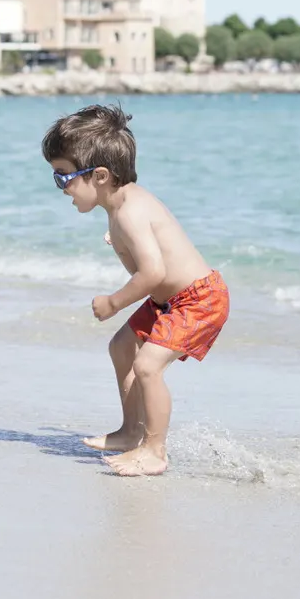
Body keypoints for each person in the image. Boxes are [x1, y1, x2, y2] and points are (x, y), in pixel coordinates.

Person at [43, 103, 227, 477]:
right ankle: (131, 432)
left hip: (199, 299)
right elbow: (150, 266)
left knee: (147, 366)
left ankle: (155, 450)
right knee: (121, 347)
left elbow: (153, 272)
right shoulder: (121, 206)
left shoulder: (129, 212)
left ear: (99, 176)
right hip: (169, 300)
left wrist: (113, 302)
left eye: (63, 178)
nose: (61, 189)